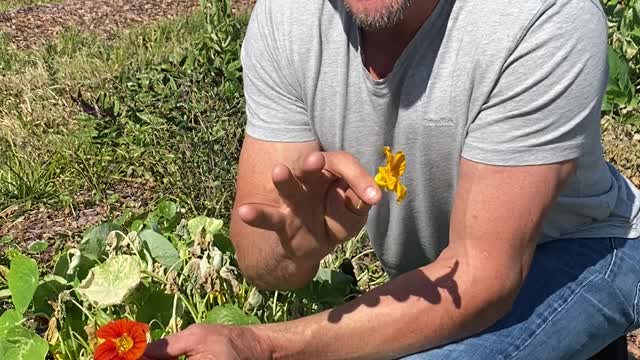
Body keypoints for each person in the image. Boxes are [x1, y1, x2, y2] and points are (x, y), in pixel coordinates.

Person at [144, 0, 640, 358]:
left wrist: (262, 345)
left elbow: (483, 278)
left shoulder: (539, 17)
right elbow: (260, 260)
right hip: (440, 272)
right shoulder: (287, 19)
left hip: (590, 246)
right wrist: (294, 247)